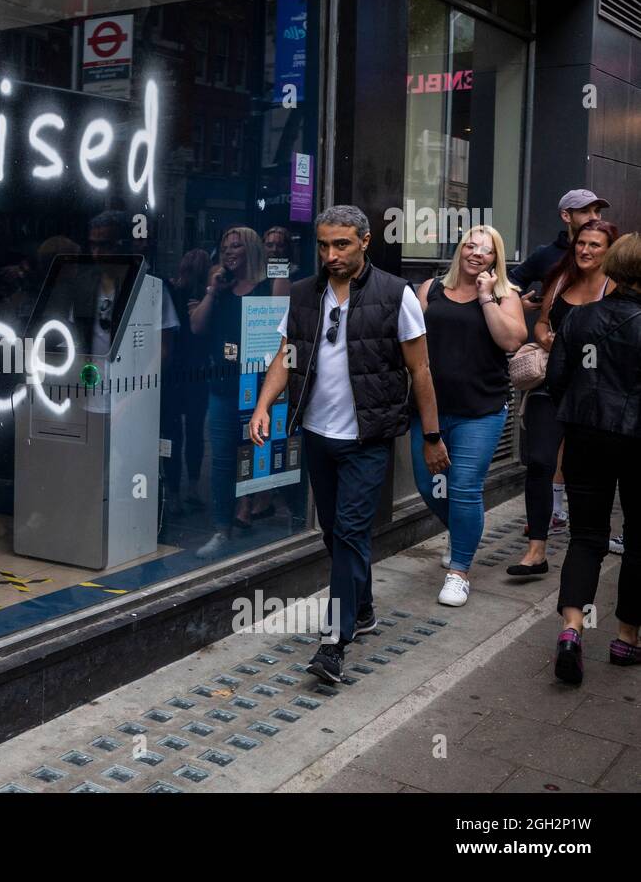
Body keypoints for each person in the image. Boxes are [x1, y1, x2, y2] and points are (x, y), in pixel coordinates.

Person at [248, 205, 448, 682]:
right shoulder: (302, 294)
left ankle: (333, 644)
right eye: (323, 245)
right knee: (334, 534)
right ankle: (362, 609)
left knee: (352, 533)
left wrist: (432, 436)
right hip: (318, 435)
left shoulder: (395, 294)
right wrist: (263, 406)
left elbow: (420, 370)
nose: (331, 255)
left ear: (365, 240)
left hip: (367, 439)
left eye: (341, 244)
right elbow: (285, 356)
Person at [411, 226, 526, 606]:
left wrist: (484, 298)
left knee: (463, 488)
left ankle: (459, 570)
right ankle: (462, 532)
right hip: (430, 409)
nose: (477, 253)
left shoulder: (504, 294)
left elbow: (511, 341)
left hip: (482, 410)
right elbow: (409, 339)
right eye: (471, 245)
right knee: (429, 487)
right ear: (460, 250)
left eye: (487, 250)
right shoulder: (430, 289)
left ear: (497, 259)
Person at [544, 231, 641, 683]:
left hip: (585, 437)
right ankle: (625, 639)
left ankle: (571, 630)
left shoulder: (580, 320)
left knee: (586, 536)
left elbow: (558, 380)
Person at [508, 219, 619, 577]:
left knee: (586, 471)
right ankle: (536, 550)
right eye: (581, 244)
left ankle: (586, 544)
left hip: (594, 394)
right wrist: (544, 339)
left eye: (594, 245)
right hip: (549, 385)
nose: (585, 250)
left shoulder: (616, 288)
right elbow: (541, 322)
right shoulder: (559, 280)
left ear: (610, 250)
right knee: (539, 461)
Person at [189, 226, 275, 557]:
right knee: (223, 461)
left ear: (251, 250)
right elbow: (197, 327)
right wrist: (213, 290)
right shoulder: (221, 289)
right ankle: (221, 529)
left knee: (257, 455)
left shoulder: (267, 287)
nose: (228, 252)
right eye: (224, 246)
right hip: (224, 388)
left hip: (261, 387)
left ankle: (256, 512)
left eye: (236, 246)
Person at [165, 248, 212, 515]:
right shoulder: (205, 295)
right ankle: (192, 488)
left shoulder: (171, 291)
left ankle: (173, 493)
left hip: (174, 371)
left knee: (173, 433)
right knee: (194, 432)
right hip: (198, 371)